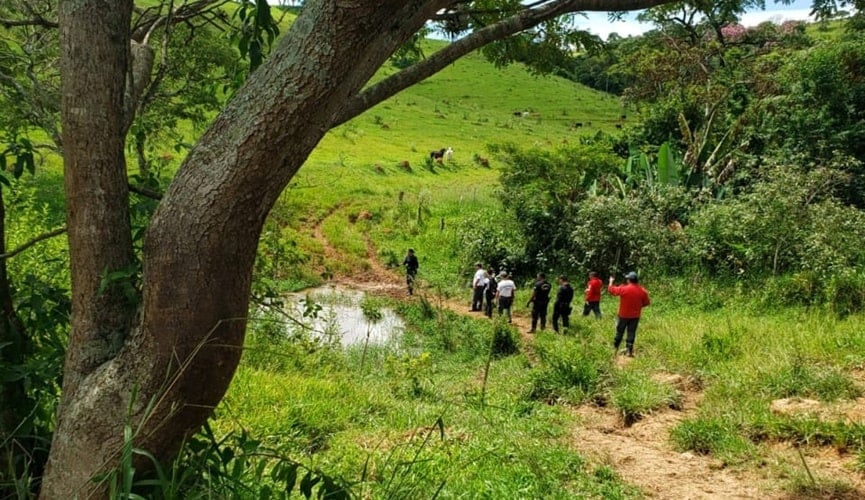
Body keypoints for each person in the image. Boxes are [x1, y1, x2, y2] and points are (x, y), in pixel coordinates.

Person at [607, 272, 650, 357]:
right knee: (631, 332)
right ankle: (629, 351)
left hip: (623, 315)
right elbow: (646, 303)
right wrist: (637, 306)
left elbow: (611, 290)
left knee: (619, 332)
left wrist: (611, 282)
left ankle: (615, 349)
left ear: (629, 280)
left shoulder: (624, 289)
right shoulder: (643, 291)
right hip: (635, 316)